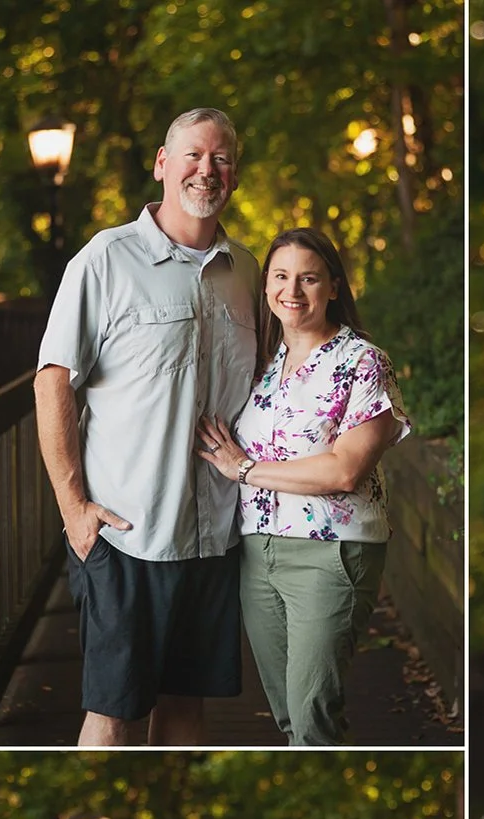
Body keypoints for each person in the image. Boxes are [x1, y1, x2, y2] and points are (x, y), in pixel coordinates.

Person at [36, 107, 259, 746]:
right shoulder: (104, 260)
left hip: (215, 535)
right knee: (115, 714)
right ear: (163, 164)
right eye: (192, 155)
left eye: (219, 159)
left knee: (187, 708)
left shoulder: (246, 273)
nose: (205, 170)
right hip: (127, 533)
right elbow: (52, 380)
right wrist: (73, 507)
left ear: (234, 176)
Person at [196, 229, 409, 746]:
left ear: (333, 286)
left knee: (313, 715)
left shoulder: (362, 362)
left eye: (309, 278)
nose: (293, 290)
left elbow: (343, 471)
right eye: (281, 276)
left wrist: (244, 469)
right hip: (257, 551)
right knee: (289, 716)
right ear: (266, 286)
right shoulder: (263, 362)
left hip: (331, 553)